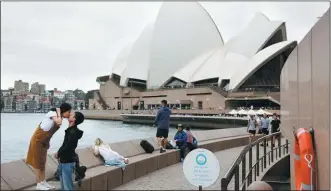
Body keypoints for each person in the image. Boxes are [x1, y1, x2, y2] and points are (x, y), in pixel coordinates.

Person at [26, 103, 72, 190]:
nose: (69, 114)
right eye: (68, 112)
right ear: (64, 110)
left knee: (42, 162)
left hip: (44, 141)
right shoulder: (52, 113)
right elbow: (58, 122)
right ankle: (39, 184)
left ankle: (43, 182)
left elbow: (50, 131)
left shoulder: (59, 116)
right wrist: (58, 111)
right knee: (37, 162)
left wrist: (47, 141)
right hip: (37, 140)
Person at [55, 111, 85, 191]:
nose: (69, 115)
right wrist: (59, 152)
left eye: (71, 115)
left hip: (67, 161)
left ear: (74, 119)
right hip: (65, 160)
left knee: (67, 187)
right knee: (64, 186)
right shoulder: (71, 130)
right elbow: (66, 144)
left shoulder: (72, 132)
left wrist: (59, 152)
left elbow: (68, 146)